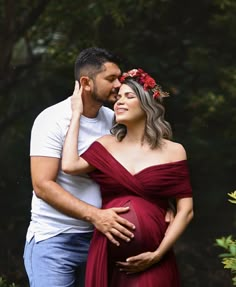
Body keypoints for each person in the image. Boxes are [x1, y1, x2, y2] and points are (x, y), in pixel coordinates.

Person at [62, 68, 194, 287]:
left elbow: (186, 211)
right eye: (118, 97)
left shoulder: (174, 151)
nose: (119, 102)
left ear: (146, 105)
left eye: (129, 96)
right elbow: (69, 165)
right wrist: (77, 113)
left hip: (154, 260)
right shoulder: (106, 144)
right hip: (107, 256)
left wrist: (158, 253)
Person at [23, 47, 136, 287]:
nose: (118, 84)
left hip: (102, 239)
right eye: (111, 78)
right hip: (54, 240)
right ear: (86, 82)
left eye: (120, 77)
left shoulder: (114, 120)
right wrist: (96, 216)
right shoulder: (52, 119)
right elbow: (42, 185)